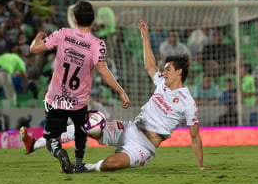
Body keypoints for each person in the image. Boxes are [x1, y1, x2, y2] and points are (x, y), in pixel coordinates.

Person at [82, 19, 212, 172]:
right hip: (130, 128)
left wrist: (200, 165)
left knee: (110, 164)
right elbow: (150, 65)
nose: (163, 73)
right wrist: (145, 36)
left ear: (179, 72)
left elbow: (195, 136)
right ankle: (50, 141)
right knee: (91, 125)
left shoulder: (188, 102)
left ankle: (86, 167)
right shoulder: (161, 82)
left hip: (144, 146)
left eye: (167, 69)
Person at [28, 0, 130, 173]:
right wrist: (120, 91)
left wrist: (38, 37)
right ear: (94, 20)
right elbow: (102, 70)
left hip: (55, 98)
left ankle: (60, 153)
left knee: (52, 137)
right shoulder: (97, 44)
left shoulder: (63, 33)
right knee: (81, 131)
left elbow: (34, 49)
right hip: (79, 101)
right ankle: (78, 163)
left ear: (74, 19)